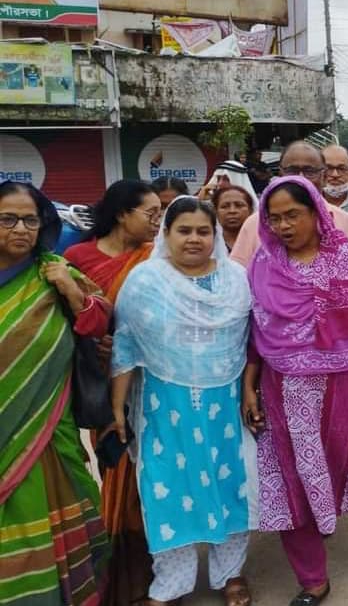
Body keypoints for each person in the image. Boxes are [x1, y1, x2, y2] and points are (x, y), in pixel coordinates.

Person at [245, 175, 348, 606]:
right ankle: (313, 579)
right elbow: (253, 332)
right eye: (275, 218)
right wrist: (248, 387)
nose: (283, 226)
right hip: (282, 391)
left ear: (316, 212)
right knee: (292, 482)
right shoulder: (263, 265)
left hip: (347, 386)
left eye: (293, 215)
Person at [109, 197, 256, 606]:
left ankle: (231, 575)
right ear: (167, 234)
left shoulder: (236, 281)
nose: (194, 239)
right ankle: (171, 583)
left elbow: (249, 345)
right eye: (184, 230)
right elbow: (126, 347)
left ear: (214, 236)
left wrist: (248, 392)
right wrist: (118, 409)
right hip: (163, 404)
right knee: (166, 488)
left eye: (203, 231)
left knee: (233, 483)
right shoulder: (145, 281)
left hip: (225, 404)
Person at [0, 181, 111, 606]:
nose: (21, 229)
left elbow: (102, 320)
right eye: (8, 219)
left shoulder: (53, 270)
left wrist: (69, 288)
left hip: (48, 432)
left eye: (31, 219)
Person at [64, 179, 162, 606]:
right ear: (123, 214)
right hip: (100, 386)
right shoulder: (76, 259)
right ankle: (122, 581)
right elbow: (63, 324)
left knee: (152, 481)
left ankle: (156, 578)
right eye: (151, 212)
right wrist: (96, 340)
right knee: (117, 471)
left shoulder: (159, 258)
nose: (158, 221)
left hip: (152, 382)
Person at [229, 141, 348, 268]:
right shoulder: (254, 224)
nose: (300, 178)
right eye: (292, 170)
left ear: (323, 177)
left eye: (309, 171)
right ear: (280, 174)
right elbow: (238, 283)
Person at [211, 185, 254, 251]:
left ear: (251, 210)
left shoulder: (261, 243)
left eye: (239, 205)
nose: (232, 211)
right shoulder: (209, 244)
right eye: (225, 206)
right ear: (215, 211)